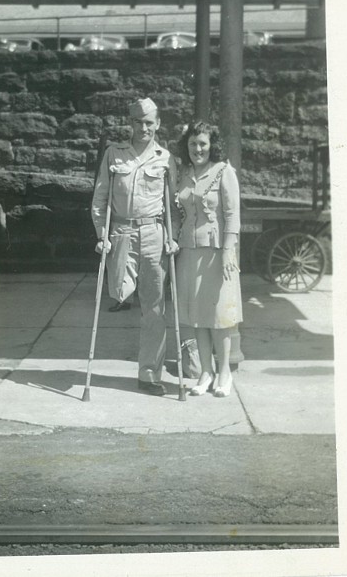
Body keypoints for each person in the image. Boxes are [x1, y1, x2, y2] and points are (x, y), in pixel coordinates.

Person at [91, 98, 179, 396]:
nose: (145, 127)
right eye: (139, 122)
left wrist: (172, 235)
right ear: (131, 123)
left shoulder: (165, 158)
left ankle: (149, 375)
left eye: (150, 122)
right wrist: (101, 235)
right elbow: (100, 199)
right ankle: (122, 295)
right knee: (118, 292)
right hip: (121, 231)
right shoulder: (114, 154)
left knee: (154, 307)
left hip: (154, 232)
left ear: (157, 124)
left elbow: (174, 205)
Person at [175, 121, 243, 397]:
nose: (198, 149)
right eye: (193, 143)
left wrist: (229, 250)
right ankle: (205, 372)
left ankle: (224, 372)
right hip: (189, 252)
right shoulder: (184, 173)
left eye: (202, 143)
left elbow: (232, 215)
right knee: (196, 314)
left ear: (212, 145)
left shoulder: (224, 172)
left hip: (217, 253)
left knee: (220, 314)